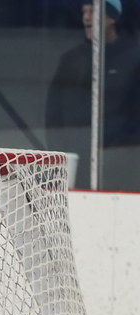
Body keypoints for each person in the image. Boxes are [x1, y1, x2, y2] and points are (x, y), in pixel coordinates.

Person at [46, 0, 140, 190]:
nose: (86, 18)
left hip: (123, 166)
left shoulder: (134, 59)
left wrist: (123, 151)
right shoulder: (70, 60)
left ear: (112, 18)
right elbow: (53, 114)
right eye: (84, 12)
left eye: (93, 11)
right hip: (76, 163)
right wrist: (62, 153)